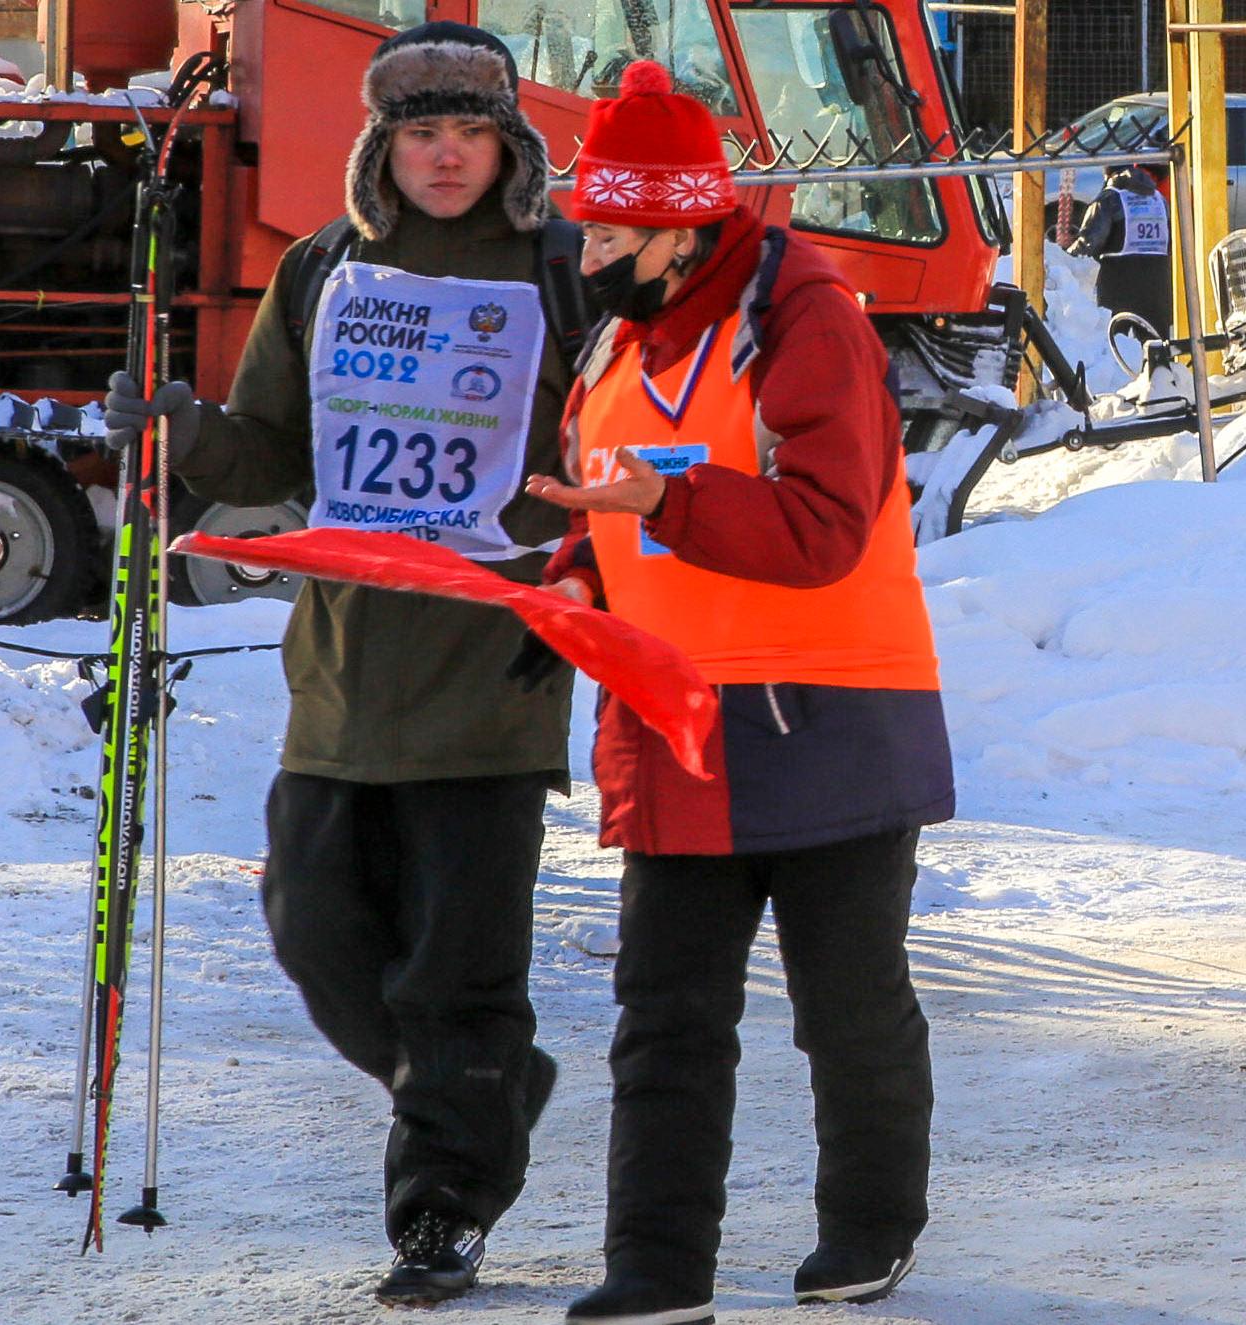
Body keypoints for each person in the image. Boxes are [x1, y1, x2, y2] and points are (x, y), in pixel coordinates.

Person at [97, 21, 583, 1306]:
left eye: (468, 131)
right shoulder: (324, 270)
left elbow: (621, 445)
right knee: (315, 933)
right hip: (343, 673)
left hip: (497, 670)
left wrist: (581, 546)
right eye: (420, 131)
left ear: (508, 142)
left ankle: (443, 1205)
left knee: (455, 971)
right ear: (383, 141)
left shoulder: (561, 270)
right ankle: (483, 1089)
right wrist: (187, 431)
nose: (444, 156)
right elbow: (272, 449)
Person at [525, 63, 955, 1320]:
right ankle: (656, 1272)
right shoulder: (619, 335)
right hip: (677, 721)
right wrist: (564, 580)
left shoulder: (806, 314)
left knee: (847, 1006)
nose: (584, 249)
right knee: (663, 1016)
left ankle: (870, 1230)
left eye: (607, 230)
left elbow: (826, 525)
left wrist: (665, 501)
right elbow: (612, 506)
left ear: (677, 229)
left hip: (828, 715)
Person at [1078, 163, 1174, 339]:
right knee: (1157, 347)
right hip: (1158, 284)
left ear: (1108, 174)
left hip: (1118, 285)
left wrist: (1064, 256)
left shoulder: (1109, 198)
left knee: (1116, 346)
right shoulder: (1159, 199)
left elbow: (1089, 242)